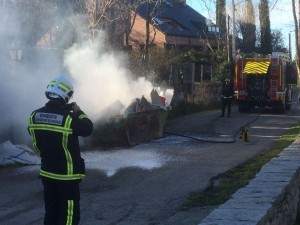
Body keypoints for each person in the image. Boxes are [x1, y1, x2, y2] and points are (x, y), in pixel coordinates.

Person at [28, 75, 93, 225]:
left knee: (51, 211)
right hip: (67, 177)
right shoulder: (69, 119)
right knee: (69, 215)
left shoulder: (34, 116)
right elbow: (88, 127)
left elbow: (38, 138)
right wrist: (78, 111)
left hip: (47, 173)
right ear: (66, 96)